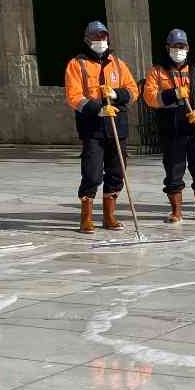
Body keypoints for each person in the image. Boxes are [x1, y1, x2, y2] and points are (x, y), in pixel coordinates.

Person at [64, 20, 138, 233]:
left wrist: (117, 94)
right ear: (88, 40)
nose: (100, 40)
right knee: (92, 173)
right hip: (92, 128)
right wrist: (97, 108)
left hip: (117, 125)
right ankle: (86, 217)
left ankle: (109, 215)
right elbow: (73, 96)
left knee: (117, 172)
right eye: (96, 37)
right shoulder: (77, 64)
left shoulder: (117, 64)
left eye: (103, 36)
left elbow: (133, 90)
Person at [143, 28, 195, 223]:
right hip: (172, 129)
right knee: (174, 169)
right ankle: (176, 210)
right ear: (168, 48)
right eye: (175, 46)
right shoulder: (157, 71)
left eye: (182, 46)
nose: (179, 50)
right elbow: (150, 97)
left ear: (187, 48)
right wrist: (173, 94)